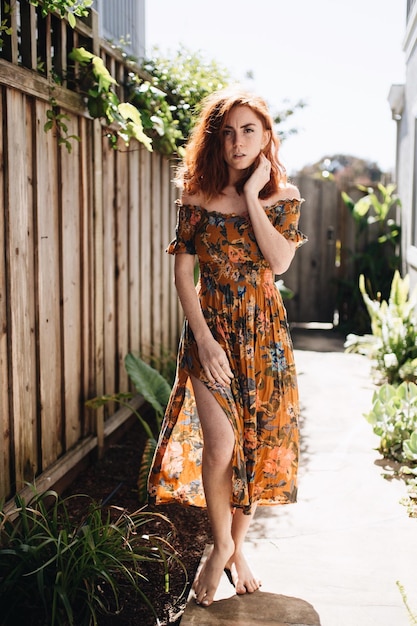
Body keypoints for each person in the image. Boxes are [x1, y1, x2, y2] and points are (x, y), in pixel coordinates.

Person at [148, 86, 307, 608]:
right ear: (215, 140)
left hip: (264, 341)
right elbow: (181, 272)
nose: (237, 141)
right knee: (219, 449)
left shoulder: (283, 199)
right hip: (210, 335)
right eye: (228, 132)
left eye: (249, 131)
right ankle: (221, 548)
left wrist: (254, 193)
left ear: (264, 139)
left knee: (253, 453)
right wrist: (202, 337)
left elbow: (279, 262)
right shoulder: (195, 198)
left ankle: (233, 549)